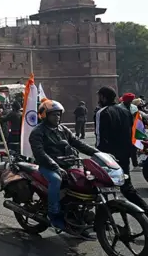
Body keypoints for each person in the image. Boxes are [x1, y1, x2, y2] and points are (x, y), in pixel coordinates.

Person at [29, 99, 99, 231]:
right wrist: (55, 166)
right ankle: (54, 213)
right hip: (48, 166)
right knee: (56, 180)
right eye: (54, 114)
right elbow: (40, 153)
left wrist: (98, 153)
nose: (58, 117)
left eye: (59, 114)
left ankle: (77, 209)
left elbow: (78, 143)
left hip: (67, 164)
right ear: (45, 115)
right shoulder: (38, 132)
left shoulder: (62, 129)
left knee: (85, 180)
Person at [95, 87, 148, 212]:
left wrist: (98, 156)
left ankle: (102, 221)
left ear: (103, 97)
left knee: (98, 187)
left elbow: (100, 139)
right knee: (127, 187)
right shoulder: (125, 112)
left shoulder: (102, 112)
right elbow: (131, 133)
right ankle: (145, 210)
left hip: (108, 158)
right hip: (124, 155)